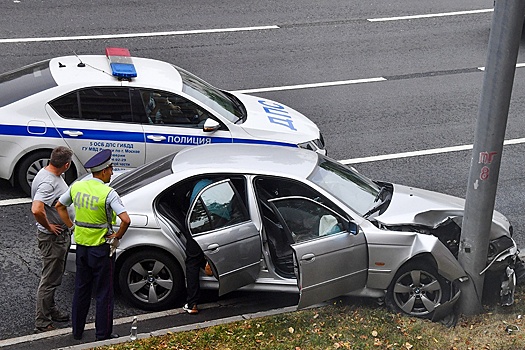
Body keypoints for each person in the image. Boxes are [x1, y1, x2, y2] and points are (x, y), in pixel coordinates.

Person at [56, 149, 130, 341]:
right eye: (111, 169)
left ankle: (77, 330)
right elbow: (126, 220)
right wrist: (117, 235)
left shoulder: (78, 187)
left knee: (81, 289)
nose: (112, 173)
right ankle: (102, 334)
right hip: (101, 248)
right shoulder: (108, 193)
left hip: (81, 247)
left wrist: (72, 227)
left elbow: (59, 206)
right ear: (104, 171)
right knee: (104, 292)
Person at [31, 146, 74, 333]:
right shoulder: (48, 183)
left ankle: (51, 309)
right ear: (66, 164)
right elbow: (36, 209)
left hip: (56, 236)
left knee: (54, 276)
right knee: (49, 279)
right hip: (53, 238)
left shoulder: (48, 173)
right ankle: (42, 321)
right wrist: (49, 226)